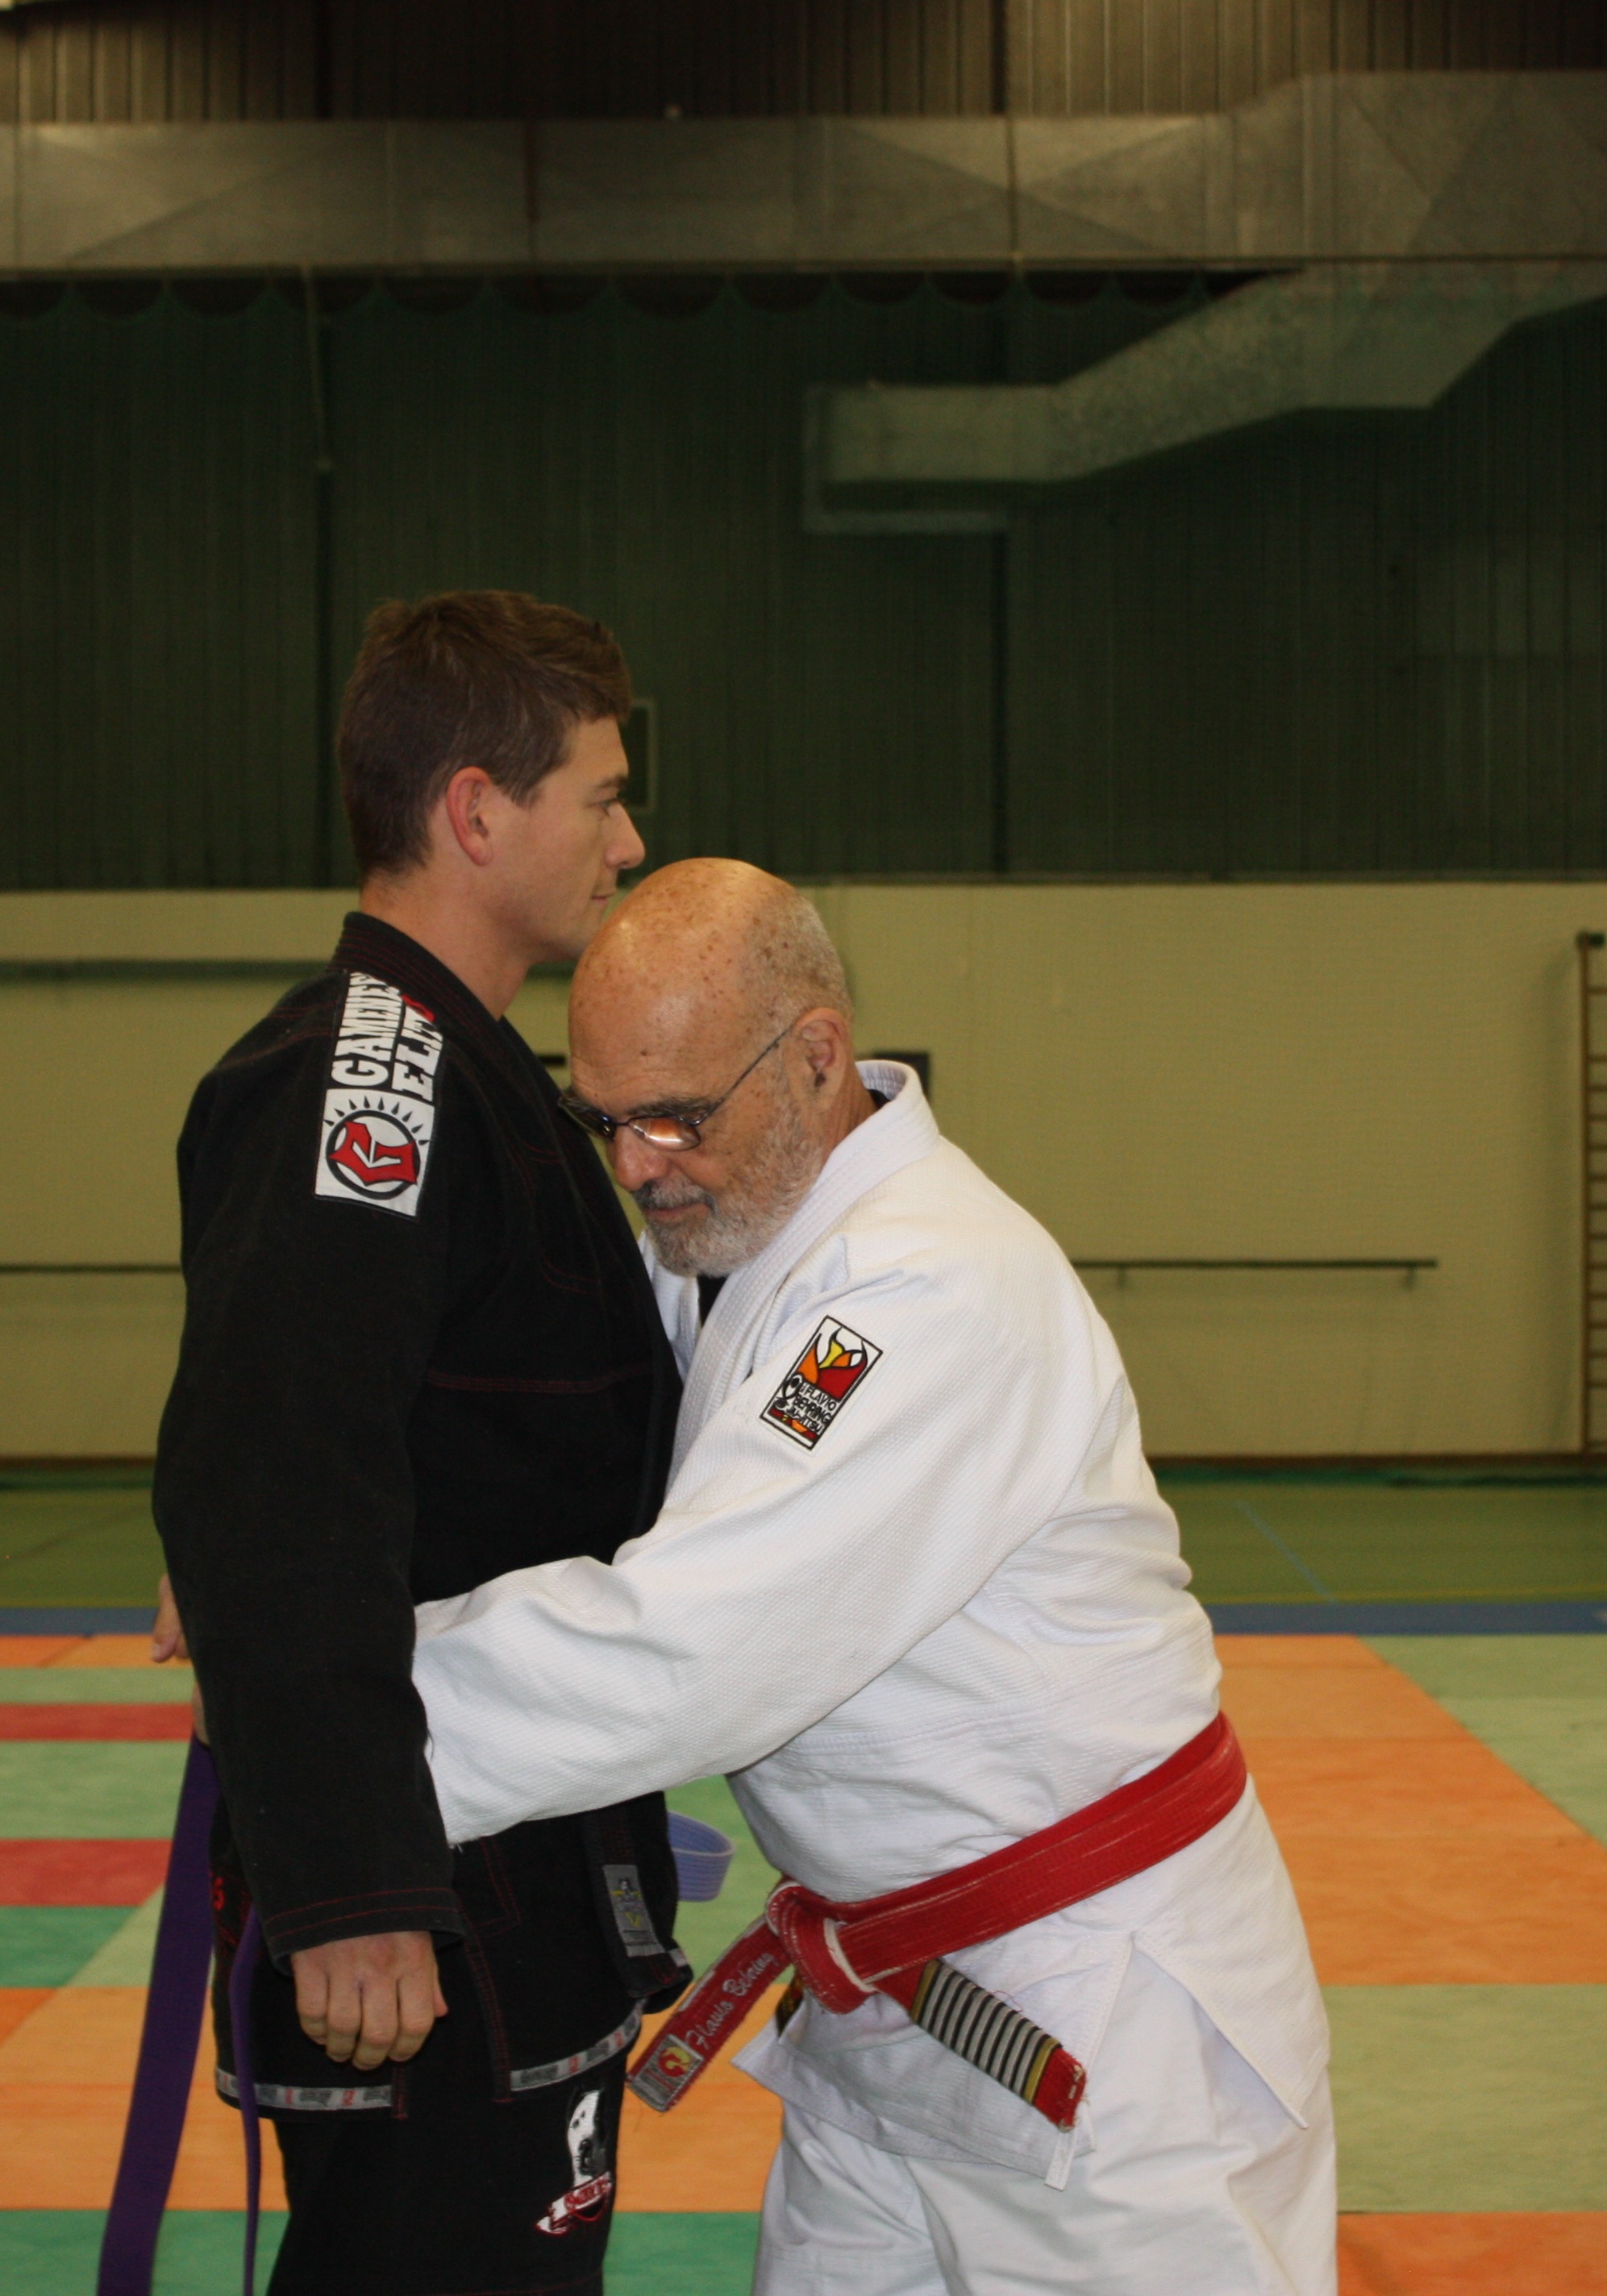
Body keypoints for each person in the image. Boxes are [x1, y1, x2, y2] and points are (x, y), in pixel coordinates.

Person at [408, 860, 1336, 2296]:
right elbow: (527, 1441)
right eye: (606, 1121)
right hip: (884, 2012)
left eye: (677, 1116)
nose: (638, 1164)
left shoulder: (927, 1284)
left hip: (1099, 2027)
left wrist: (337, 1706)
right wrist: (289, 1546)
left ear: (818, 1056)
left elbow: (698, 1645)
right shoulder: (727, 1250)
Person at [148, 591, 689, 2295]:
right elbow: (280, 1473)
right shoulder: (367, 1085)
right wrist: (349, 1880)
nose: (630, 841)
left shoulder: (478, 1073)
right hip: (429, 1906)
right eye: (602, 797)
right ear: (475, 811)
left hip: (517, 1857)